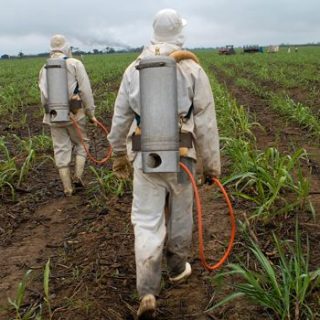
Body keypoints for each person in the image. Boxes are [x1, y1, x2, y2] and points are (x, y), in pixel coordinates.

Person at [107, 8, 220, 319]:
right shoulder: (192, 69)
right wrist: (211, 167)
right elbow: (207, 123)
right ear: (178, 33)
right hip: (183, 158)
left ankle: (146, 290)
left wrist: (118, 151)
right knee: (181, 214)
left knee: (145, 220)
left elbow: (120, 117)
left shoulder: (134, 69)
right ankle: (176, 266)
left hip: (144, 157)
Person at [39, 34, 97, 196]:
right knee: (82, 143)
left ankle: (67, 188)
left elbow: (43, 96)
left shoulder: (44, 68)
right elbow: (86, 91)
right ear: (67, 48)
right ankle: (78, 176)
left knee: (60, 149)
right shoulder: (75, 63)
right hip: (75, 113)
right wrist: (91, 112)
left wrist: (51, 112)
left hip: (54, 115)